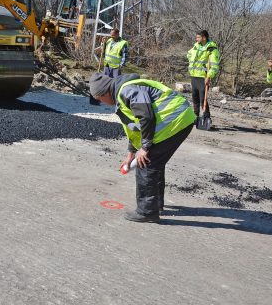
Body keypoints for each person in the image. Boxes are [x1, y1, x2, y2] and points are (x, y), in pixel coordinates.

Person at [89, 72, 196, 223]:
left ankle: (147, 211)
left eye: (100, 100)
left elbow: (146, 116)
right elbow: (136, 128)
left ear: (105, 92)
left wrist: (145, 148)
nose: (103, 103)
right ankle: (156, 204)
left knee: (145, 164)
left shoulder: (127, 91)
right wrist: (131, 153)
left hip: (174, 121)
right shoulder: (123, 93)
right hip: (180, 120)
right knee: (154, 162)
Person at [187, 30, 220, 123]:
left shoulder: (212, 48)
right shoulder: (196, 46)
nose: (196, 39)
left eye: (198, 37)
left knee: (203, 99)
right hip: (194, 75)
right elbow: (189, 54)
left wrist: (209, 76)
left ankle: (206, 117)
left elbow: (214, 65)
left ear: (204, 38)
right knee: (195, 98)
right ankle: (195, 116)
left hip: (203, 77)